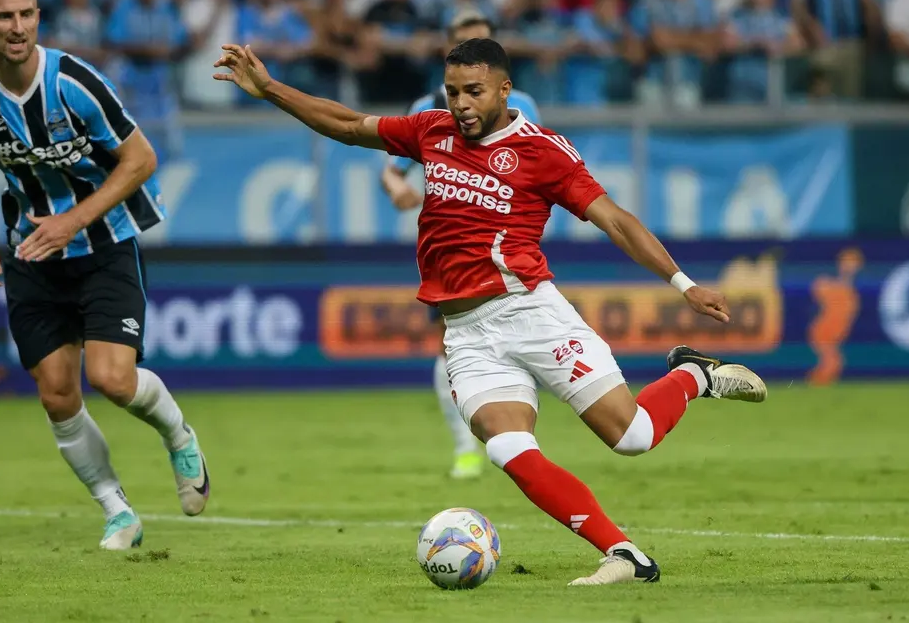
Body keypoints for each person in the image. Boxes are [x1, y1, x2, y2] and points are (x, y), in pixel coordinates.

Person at [213, 37, 767, 585]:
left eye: (473, 92)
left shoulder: (543, 151)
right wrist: (268, 90)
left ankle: (694, 373)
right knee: (507, 446)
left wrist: (683, 283)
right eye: (452, 91)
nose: (461, 104)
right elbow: (349, 125)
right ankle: (623, 554)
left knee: (632, 437)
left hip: (530, 313)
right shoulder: (431, 131)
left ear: (505, 89)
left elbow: (615, 220)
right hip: (466, 332)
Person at [0, 0, 210, 550]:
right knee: (57, 393)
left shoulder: (75, 81)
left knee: (111, 379)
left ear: (38, 17)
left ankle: (178, 435)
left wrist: (73, 219)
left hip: (105, 244)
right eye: (5, 17)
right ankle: (118, 511)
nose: (18, 27)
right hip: (32, 253)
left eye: (27, 15)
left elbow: (141, 159)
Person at [379, 11, 540, 481]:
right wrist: (397, 190)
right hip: (455, 247)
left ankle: (515, 436)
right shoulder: (428, 106)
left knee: (524, 343)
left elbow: (536, 160)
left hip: (511, 248)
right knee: (450, 347)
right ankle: (465, 446)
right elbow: (392, 169)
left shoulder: (523, 103)